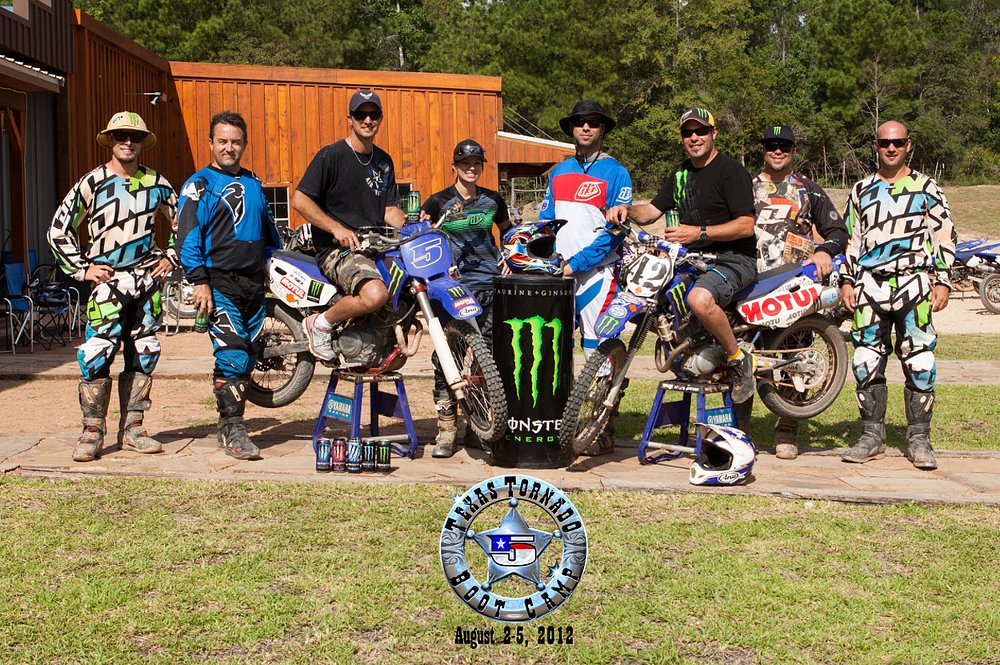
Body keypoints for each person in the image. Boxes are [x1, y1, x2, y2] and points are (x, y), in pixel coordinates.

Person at [48, 111, 177, 462]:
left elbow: (187, 225)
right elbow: (58, 229)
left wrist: (172, 256)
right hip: (106, 283)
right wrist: (83, 268)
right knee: (95, 355)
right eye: (121, 135)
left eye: (134, 137)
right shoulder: (92, 182)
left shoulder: (158, 183)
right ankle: (92, 431)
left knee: (145, 352)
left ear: (142, 143)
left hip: (146, 282)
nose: (128, 142)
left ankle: (134, 427)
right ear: (110, 140)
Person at [607, 107, 758, 403]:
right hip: (691, 261)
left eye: (700, 131)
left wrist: (698, 233)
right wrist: (628, 211)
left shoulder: (731, 171)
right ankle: (693, 350)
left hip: (733, 259)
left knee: (698, 299)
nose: (694, 137)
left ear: (713, 133)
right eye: (687, 133)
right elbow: (652, 211)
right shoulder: (680, 173)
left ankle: (739, 360)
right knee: (649, 301)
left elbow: (746, 225)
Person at [840, 121, 956, 470]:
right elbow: (851, 240)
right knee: (865, 360)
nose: (891, 148)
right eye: (884, 143)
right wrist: (846, 281)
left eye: (898, 142)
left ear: (909, 145)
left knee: (920, 360)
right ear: (875, 145)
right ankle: (871, 436)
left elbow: (945, 236)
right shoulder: (861, 189)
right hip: (870, 286)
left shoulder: (927, 188)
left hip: (914, 284)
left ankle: (919, 438)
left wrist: (943, 281)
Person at [734, 124, 848, 460]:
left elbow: (838, 230)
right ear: (764, 149)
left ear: (794, 151)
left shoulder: (809, 190)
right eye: (771, 145)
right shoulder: (745, 187)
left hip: (793, 289)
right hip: (749, 286)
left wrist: (826, 250)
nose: (777, 150)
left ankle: (788, 428)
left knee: (794, 357)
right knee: (742, 356)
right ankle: (740, 430)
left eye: (784, 145)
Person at [176, 111, 281, 461]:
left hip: (254, 284)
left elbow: (269, 231)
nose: (229, 147)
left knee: (249, 356)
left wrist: (282, 263)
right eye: (222, 141)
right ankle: (232, 428)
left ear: (244, 145)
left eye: (236, 142)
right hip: (218, 282)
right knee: (232, 353)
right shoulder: (199, 185)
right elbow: (187, 238)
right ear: (210, 143)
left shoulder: (253, 182)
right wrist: (199, 281)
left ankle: (230, 425)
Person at [539, 101, 633, 456]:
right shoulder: (559, 171)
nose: (586, 128)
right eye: (579, 122)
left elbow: (615, 232)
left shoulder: (616, 172)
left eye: (593, 123)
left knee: (599, 351)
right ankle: (559, 421)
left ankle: (602, 427)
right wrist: (537, 257)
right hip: (559, 276)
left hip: (598, 272)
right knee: (557, 351)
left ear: (603, 129)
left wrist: (575, 263)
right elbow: (546, 222)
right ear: (571, 129)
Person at [293, 89, 406, 361]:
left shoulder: (384, 161)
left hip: (374, 248)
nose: (367, 120)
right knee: (376, 294)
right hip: (337, 250)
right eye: (361, 114)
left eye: (373, 114)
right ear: (350, 119)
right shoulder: (331, 156)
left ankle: (367, 346)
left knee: (407, 291)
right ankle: (320, 324)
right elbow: (300, 199)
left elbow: (389, 209)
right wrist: (336, 229)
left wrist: (413, 227)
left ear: (380, 118)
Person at [419, 139, 511, 458]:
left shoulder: (493, 200)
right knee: (446, 357)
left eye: (477, 162)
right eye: (465, 162)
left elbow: (509, 233)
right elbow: (420, 235)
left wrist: (509, 255)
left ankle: (478, 426)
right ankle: (446, 430)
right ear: (454, 166)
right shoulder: (438, 202)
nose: (471, 167)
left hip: (490, 284)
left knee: (489, 356)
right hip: (453, 289)